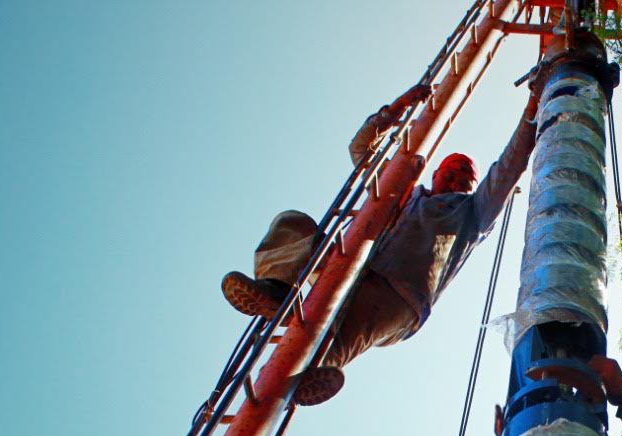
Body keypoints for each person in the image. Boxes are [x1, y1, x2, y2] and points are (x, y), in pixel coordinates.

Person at [221, 81, 540, 406]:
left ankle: (318, 372)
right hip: (355, 262)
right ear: (436, 173)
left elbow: (509, 166)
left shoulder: (472, 213)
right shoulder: (403, 188)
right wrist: (398, 107)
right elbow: (361, 149)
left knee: (342, 335)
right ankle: (277, 291)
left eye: (464, 181)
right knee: (293, 223)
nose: (456, 182)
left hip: (398, 292)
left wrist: (532, 109)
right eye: (451, 173)